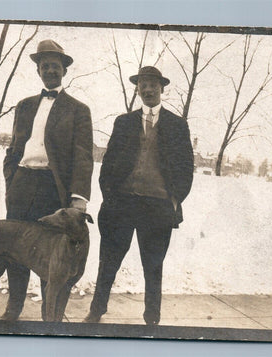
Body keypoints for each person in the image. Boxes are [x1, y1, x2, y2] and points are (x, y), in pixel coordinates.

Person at [84, 66, 194, 325]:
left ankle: (152, 319)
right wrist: (110, 197)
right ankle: (96, 311)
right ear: (137, 89)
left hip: (157, 208)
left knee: (153, 266)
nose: (148, 89)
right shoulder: (123, 122)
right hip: (121, 205)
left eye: (153, 84)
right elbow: (108, 164)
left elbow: (186, 168)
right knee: (108, 263)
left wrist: (174, 199)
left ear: (162, 88)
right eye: (143, 85)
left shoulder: (178, 126)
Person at [2, 39, 93, 321]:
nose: (50, 71)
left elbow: (83, 157)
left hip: (53, 191)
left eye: (55, 66)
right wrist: (11, 175)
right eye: (45, 66)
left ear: (64, 71)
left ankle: (49, 316)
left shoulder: (78, 110)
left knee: (50, 255)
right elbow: (15, 146)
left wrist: (78, 198)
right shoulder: (24, 105)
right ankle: (13, 308)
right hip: (22, 184)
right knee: (15, 250)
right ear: (38, 71)